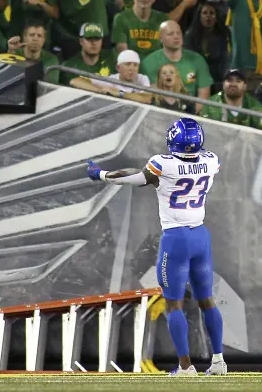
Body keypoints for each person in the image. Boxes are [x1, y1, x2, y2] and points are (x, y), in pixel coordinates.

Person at [86, 118, 227, 376]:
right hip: (200, 236)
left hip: (176, 238)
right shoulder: (211, 161)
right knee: (207, 301)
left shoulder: (164, 164)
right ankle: (218, 362)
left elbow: (135, 177)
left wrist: (102, 174)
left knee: (173, 304)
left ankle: (186, 367)